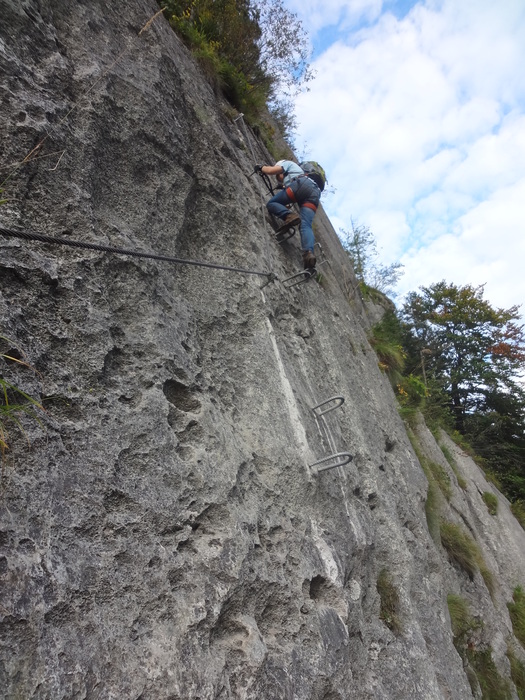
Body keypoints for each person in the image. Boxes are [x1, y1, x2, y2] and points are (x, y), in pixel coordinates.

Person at [255, 160, 320, 269]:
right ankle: (309, 255)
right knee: (306, 225)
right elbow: (289, 202)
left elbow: (271, 170)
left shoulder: (286, 163)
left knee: (272, 203)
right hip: (315, 193)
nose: (279, 177)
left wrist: (261, 168)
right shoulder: (299, 173)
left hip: (301, 184)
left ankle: (289, 216)